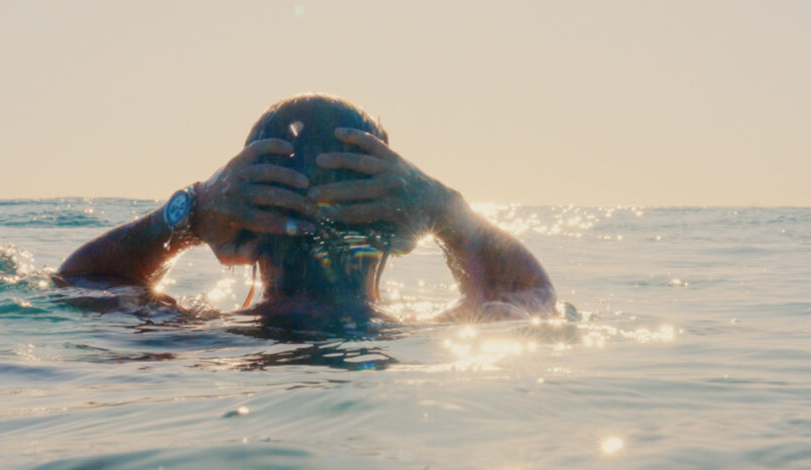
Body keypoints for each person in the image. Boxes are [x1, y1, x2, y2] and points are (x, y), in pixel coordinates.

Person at [57, 94, 555, 330]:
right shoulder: (438, 338)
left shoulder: (196, 339)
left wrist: (193, 211)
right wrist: (444, 210)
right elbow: (531, 294)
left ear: (242, 223)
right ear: (391, 224)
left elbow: (78, 281)